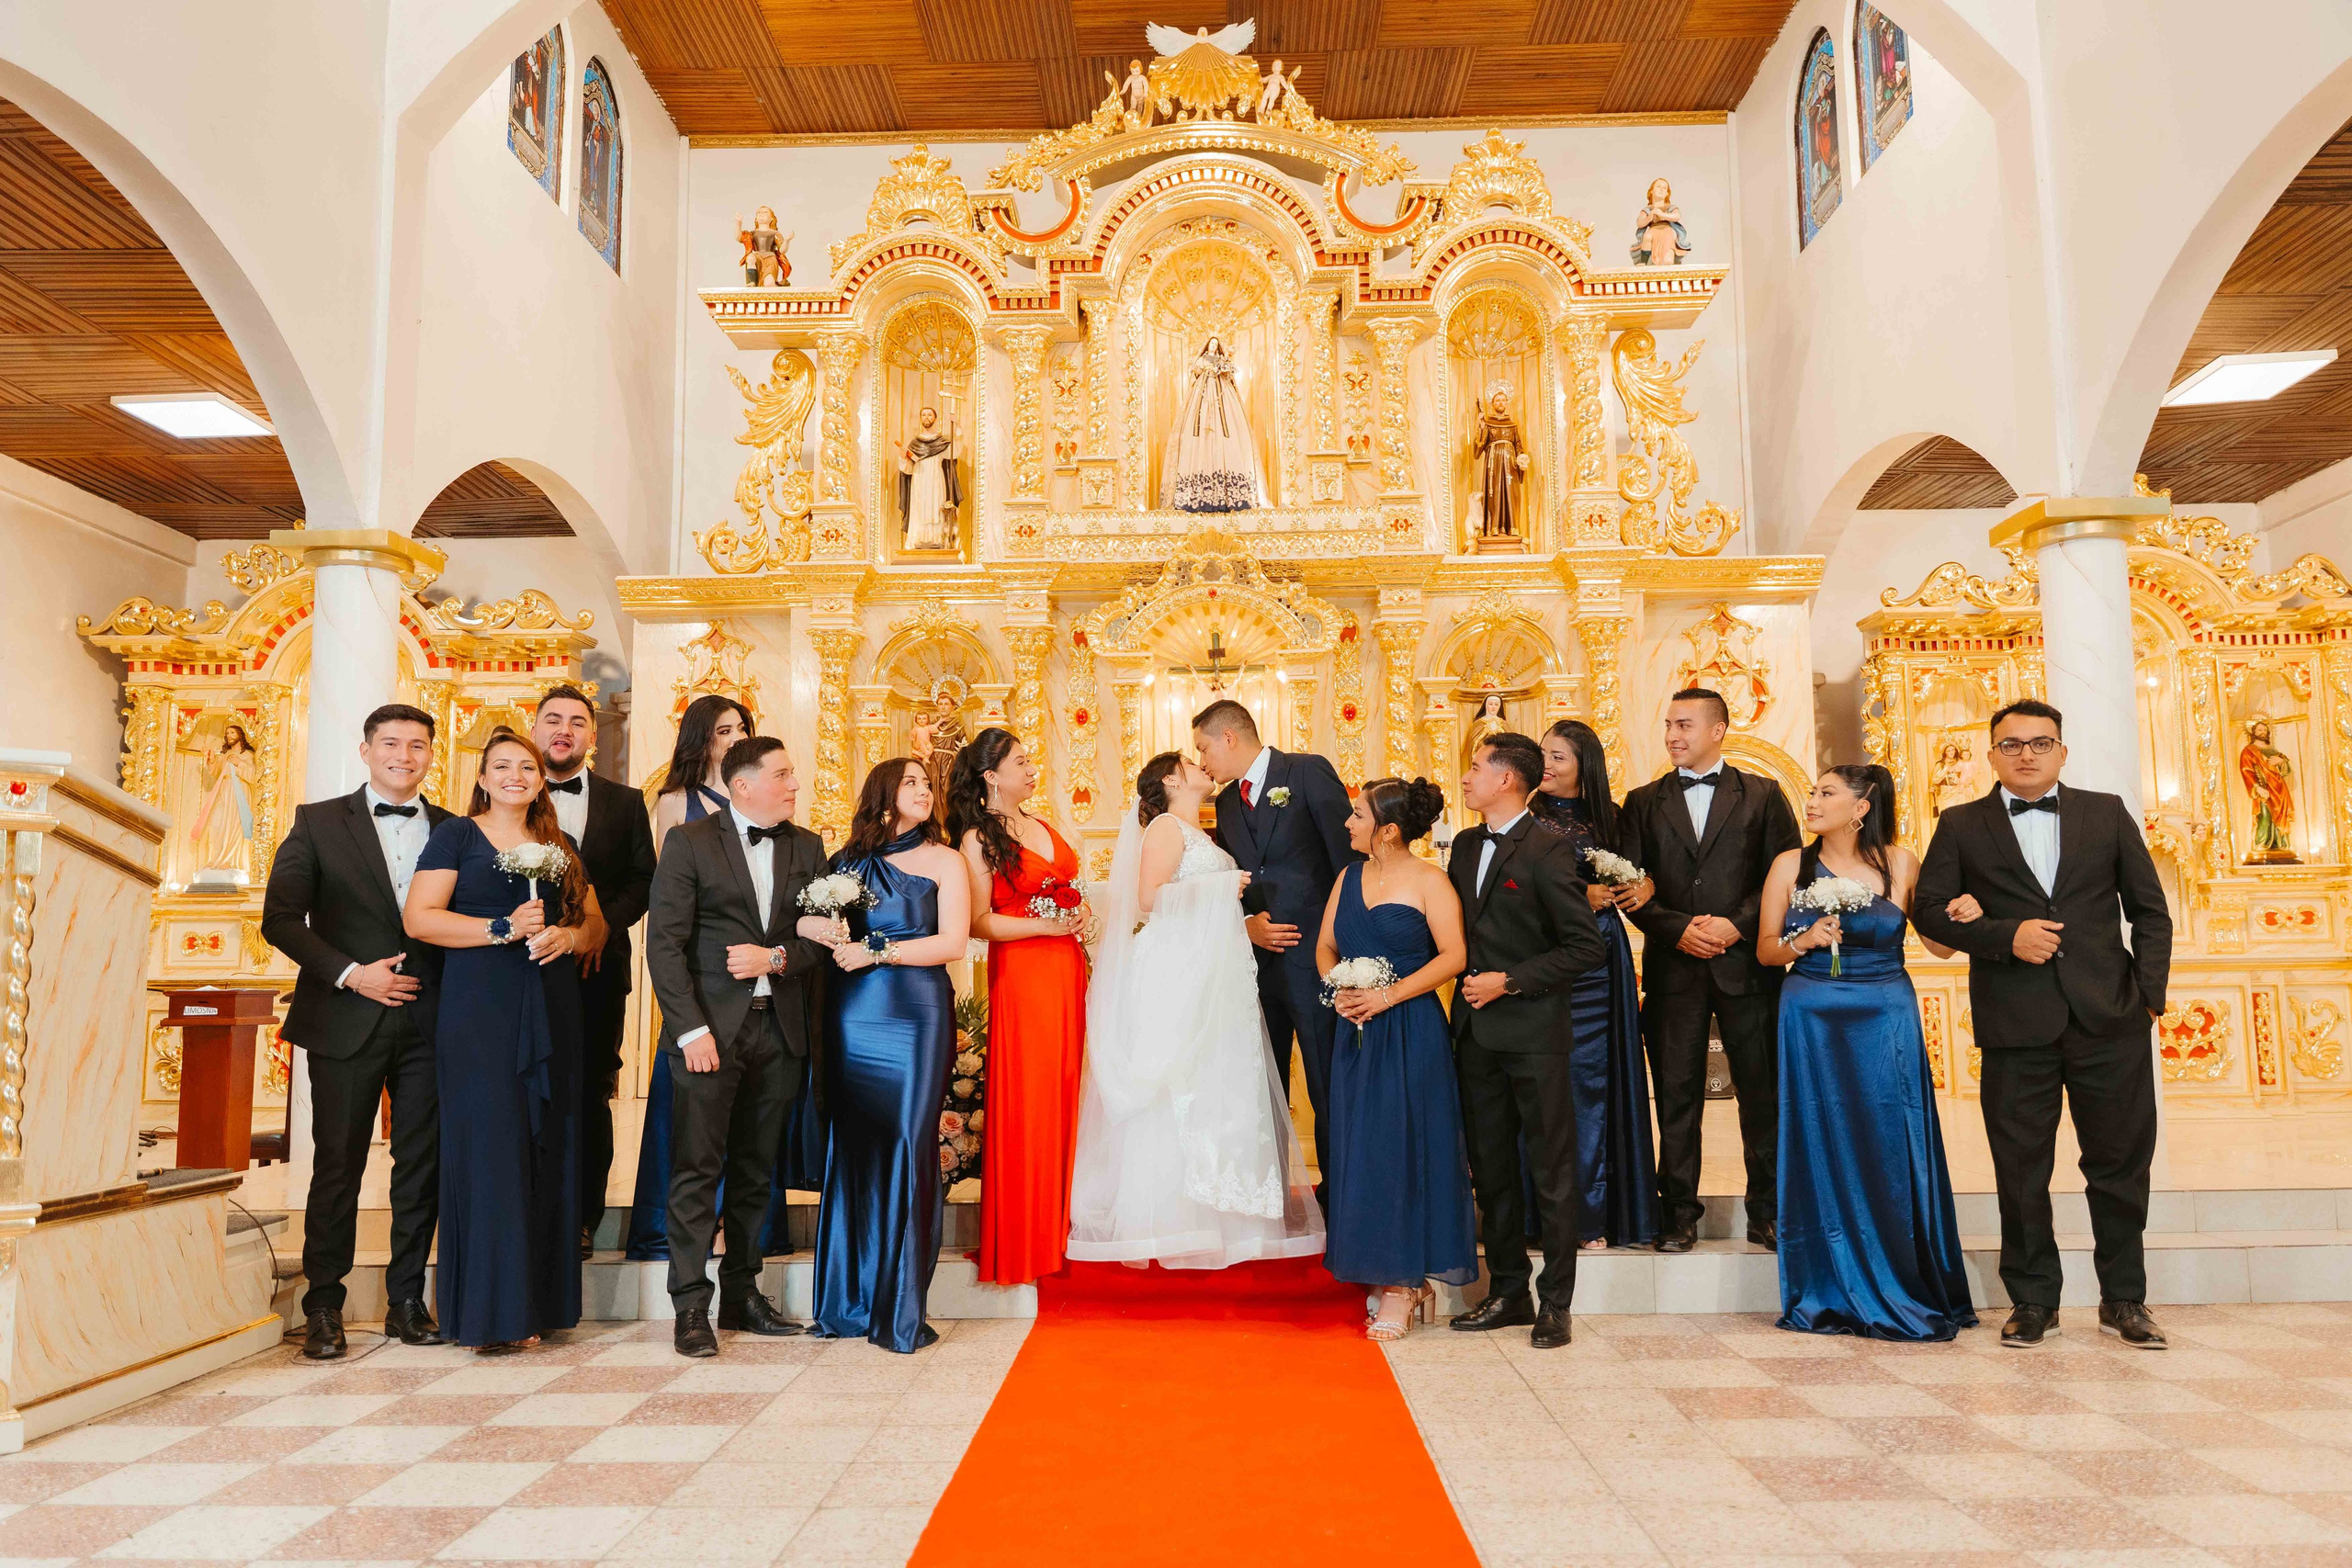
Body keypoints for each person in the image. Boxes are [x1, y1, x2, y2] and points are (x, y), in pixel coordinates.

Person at [1913, 700, 2175, 1350]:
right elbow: (1929, 912)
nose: (2025, 753)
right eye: (2011, 744)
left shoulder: (2105, 811)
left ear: (2062, 750)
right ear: (1991, 753)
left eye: (2040, 742)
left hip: (2108, 1018)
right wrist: (2004, 936)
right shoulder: (1961, 823)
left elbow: (2150, 911)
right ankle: (2033, 1300)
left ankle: (2125, 1298)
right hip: (2014, 1023)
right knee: (2020, 1169)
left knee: (2119, 1165)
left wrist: (2147, 999)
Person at [1068, 752, 1325, 1268]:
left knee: (1213, 1081)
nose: (1204, 766)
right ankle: (1167, 1217)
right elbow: (1147, 899)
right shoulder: (1165, 827)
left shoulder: (1203, 833)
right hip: (1176, 967)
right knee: (1177, 1080)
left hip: (1212, 968)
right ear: (1171, 779)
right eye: (1191, 762)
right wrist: (1219, 887)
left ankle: (1219, 1211)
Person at [260, 704, 452, 1359]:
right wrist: (352, 974)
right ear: (366, 749)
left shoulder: (454, 828)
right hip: (345, 1016)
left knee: (421, 1165)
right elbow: (281, 918)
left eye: (417, 745)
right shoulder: (316, 822)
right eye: (391, 743)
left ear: (432, 754)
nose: (405, 754)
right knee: (338, 1163)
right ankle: (323, 1305)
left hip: (430, 1020)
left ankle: (406, 1300)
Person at [1758, 765, 1974, 1341]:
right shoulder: (1789, 865)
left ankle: (1903, 1273)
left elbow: (1939, 948)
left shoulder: (1900, 864)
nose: (1811, 801)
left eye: (1826, 793)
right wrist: (1802, 941)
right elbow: (1765, 952)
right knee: (1820, 1136)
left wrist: (1962, 915)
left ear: (1861, 806)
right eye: (1812, 792)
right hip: (1811, 1014)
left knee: (1890, 1135)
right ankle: (1827, 1286)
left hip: (1885, 1013)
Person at [403, 729, 603, 1352]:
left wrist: (568, 939)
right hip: (481, 1010)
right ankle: (491, 1312)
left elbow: (595, 922)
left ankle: (539, 1305)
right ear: (483, 778)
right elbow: (420, 918)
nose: (516, 774)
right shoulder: (455, 836)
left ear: (542, 778)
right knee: (490, 1148)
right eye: (502, 766)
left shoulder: (557, 843)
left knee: (547, 1144)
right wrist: (500, 928)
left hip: (550, 1006)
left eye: (528, 766)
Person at [642, 736, 831, 1358]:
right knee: (697, 1169)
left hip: (779, 1029)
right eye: (782, 774)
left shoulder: (807, 847)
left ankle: (743, 1293)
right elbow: (665, 944)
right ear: (742, 784)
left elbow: (821, 939)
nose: (794, 785)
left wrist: (777, 957)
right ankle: (690, 1306)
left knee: (757, 1169)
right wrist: (690, 1029)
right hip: (708, 1033)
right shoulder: (690, 842)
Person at [1617, 687, 1803, 1253]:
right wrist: (1676, 928)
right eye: (1668, 724)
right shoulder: (1642, 802)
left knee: (1761, 1094)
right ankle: (1678, 1214)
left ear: (1719, 730)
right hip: (1675, 968)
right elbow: (1628, 884)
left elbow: (1789, 873)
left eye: (1685, 725)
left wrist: (1737, 925)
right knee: (1675, 1096)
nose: (1673, 734)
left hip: (1749, 968)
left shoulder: (1764, 795)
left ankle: (1767, 1212)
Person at [1446, 733, 1608, 1350]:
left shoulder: (1547, 847)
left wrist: (1510, 981)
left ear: (1509, 779)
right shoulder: (1463, 846)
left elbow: (1584, 947)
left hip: (1535, 1033)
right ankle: (1509, 1287)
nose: (1467, 776)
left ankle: (1556, 1302)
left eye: (1477, 766)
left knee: (1551, 1171)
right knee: (1490, 1169)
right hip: (1475, 1034)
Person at [810, 759, 973, 1352]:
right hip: (855, 1013)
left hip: (917, 1011)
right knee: (856, 1144)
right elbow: (818, 922)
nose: (924, 792)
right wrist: (822, 931)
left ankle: (899, 1310)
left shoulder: (946, 860)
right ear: (883, 792)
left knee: (909, 1140)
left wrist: (877, 953)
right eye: (911, 783)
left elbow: (952, 942)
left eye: (927, 784)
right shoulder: (848, 862)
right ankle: (848, 1303)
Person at [1315, 777, 1476, 1338]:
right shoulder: (1347, 876)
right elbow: (1325, 946)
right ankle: (1381, 1266)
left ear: (1386, 830)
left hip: (1410, 1027)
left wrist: (1386, 995)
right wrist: (1341, 990)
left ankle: (1405, 1283)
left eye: (1356, 815)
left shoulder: (1431, 880)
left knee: (1407, 1145)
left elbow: (1454, 955)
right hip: (1356, 1032)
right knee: (1363, 1146)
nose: (1346, 824)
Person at [1193, 698, 1355, 1190]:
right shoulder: (1223, 804)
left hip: (1317, 960)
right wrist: (1246, 924)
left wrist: (1339, 949)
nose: (1202, 762)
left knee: (1327, 1080)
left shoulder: (1307, 773)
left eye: (1204, 748)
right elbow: (1236, 878)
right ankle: (1270, 1196)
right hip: (1257, 966)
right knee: (1263, 1084)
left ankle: (1340, 1193)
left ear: (1229, 737)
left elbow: (1349, 865)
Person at [949, 728, 1088, 1287]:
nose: (1033, 770)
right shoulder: (976, 840)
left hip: (1067, 968)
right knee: (1032, 1096)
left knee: (1070, 1086)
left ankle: (1071, 1227)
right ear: (990, 776)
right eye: (1022, 762)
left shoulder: (1045, 824)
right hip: (1024, 975)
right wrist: (1047, 925)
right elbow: (980, 922)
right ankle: (1029, 1238)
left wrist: (1076, 923)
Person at [528, 686, 655, 1261]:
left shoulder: (625, 802)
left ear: (592, 737)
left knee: (591, 1092)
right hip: (522, 972)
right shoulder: (506, 796)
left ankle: (583, 1218)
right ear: (534, 730)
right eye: (553, 720)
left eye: (577, 722)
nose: (564, 730)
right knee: (530, 1089)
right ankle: (527, 1211)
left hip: (596, 970)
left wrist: (600, 929)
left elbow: (643, 880)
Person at [629, 694, 756, 1261]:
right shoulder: (677, 804)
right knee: (694, 1108)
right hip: (702, 974)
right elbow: (669, 903)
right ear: (701, 739)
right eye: (723, 730)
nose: (733, 738)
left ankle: (746, 1223)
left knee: (748, 1109)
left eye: (742, 729)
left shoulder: (760, 796)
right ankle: (687, 1224)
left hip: (756, 977)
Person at [1530, 719, 1658, 1249]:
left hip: (1599, 961)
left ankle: (1592, 1212)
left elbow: (1643, 876)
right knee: (1543, 1084)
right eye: (1542, 755)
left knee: (1593, 1081)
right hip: (1540, 951)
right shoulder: (1527, 818)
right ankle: (1541, 1213)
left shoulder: (1615, 820)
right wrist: (1579, 896)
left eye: (1558, 757)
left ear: (1586, 766)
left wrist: (1643, 885)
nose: (1546, 766)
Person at [1163, 337, 1264, 513]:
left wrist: (1223, 370)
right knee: (1199, 432)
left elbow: (1230, 374)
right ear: (1207, 345)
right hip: (1202, 397)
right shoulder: (1201, 360)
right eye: (1211, 344)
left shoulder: (1222, 361)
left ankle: (1230, 494)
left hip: (1221, 398)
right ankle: (1197, 494)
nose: (1213, 346)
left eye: (1216, 345)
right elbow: (1194, 371)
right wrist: (1204, 371)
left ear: (1218, 348)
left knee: (1227, 430)